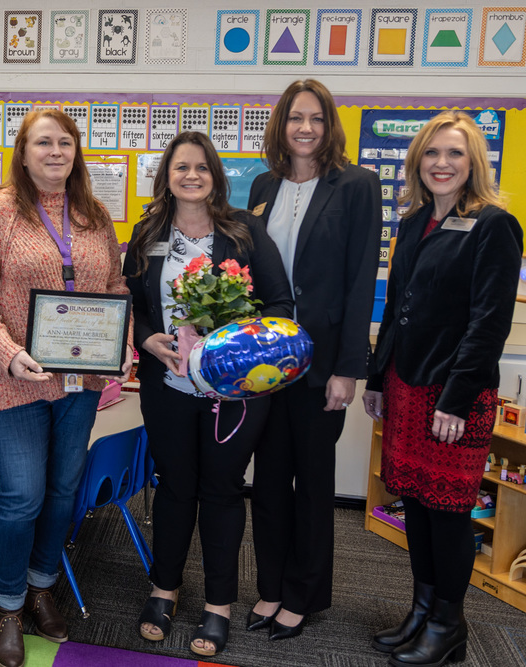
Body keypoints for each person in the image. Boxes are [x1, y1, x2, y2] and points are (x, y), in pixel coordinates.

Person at [0, 109, 133, 667]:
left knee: (62, 491)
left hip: (80, 383)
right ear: (24, 152)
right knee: (22, 495)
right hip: (17, 384)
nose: (56, 152)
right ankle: (6, 603)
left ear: (77, 151)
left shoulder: (95, 214)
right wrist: (9, 354)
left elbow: (114, 284)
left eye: (65, 142)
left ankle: (40, 584)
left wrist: (120, 341)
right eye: (43, 143)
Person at [123, 132, 294, 657]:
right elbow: (135, 306)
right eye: (181, 168)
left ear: (215, 175)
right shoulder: (147, 231)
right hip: (167, 386)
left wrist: (235, 352)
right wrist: (145, 339)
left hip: (234, 398)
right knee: (174, 487)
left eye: (201, 167)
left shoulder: (245, 232)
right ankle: (163, 588)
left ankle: (218, 602)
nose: (191, 175)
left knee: (221, 491)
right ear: (167, 176)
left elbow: (281, 307)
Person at [363, 112, 522, 666]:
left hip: (455, 394)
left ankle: (449, 624)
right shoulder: (412, 224)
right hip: (407, 386)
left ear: (473, 162)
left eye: (454, 153)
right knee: (417, 503)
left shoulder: (493, 225)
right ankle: (422, 609)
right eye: (432, 153)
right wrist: (379, 379)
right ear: (417, 163)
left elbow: (489, 323)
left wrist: (456, 398)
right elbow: (397, 310)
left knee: (449, 509)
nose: (442, 163)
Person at [246, 79, 381, 639]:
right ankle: (271, 587)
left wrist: (349, 369)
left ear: (330, 126)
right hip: (267, 362)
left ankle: (303, 594)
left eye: (317, 119)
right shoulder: (262, 184)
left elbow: (359, 282)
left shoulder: (357, 186)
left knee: (313, 483)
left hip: (323, 364)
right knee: (269, 482)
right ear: (281, 124)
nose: (306, 128)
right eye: (296, 117)